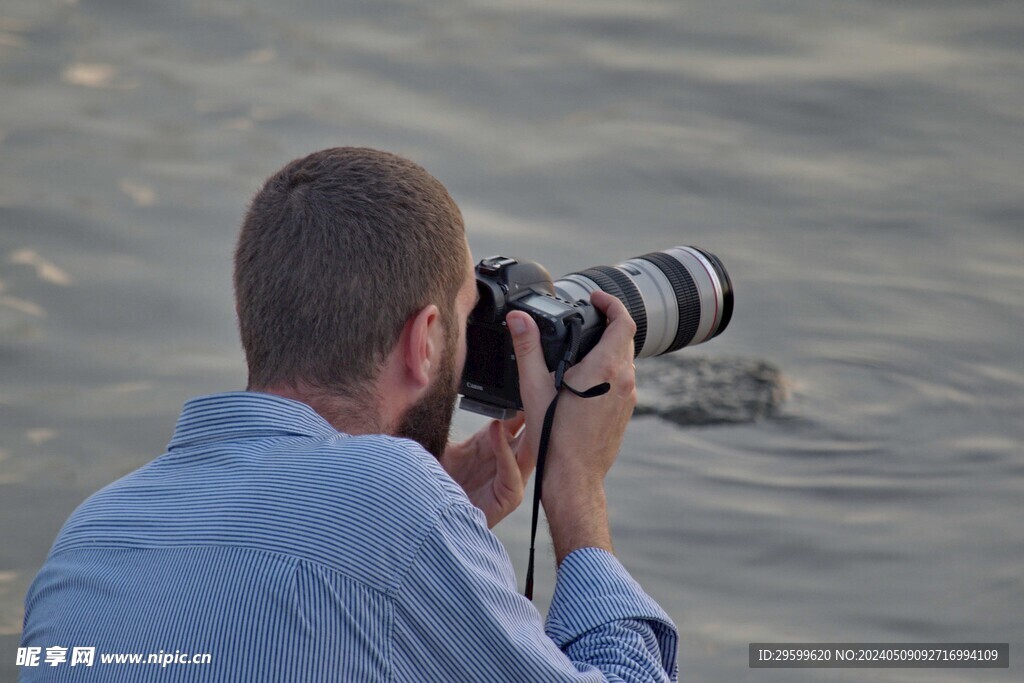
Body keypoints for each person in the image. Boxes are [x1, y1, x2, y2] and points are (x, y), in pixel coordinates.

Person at [19, 148, 678, 681]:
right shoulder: (390, 498)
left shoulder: (90, 535)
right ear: (424, 340)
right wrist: (576, 487)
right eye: (464, 316)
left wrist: (448, 531)